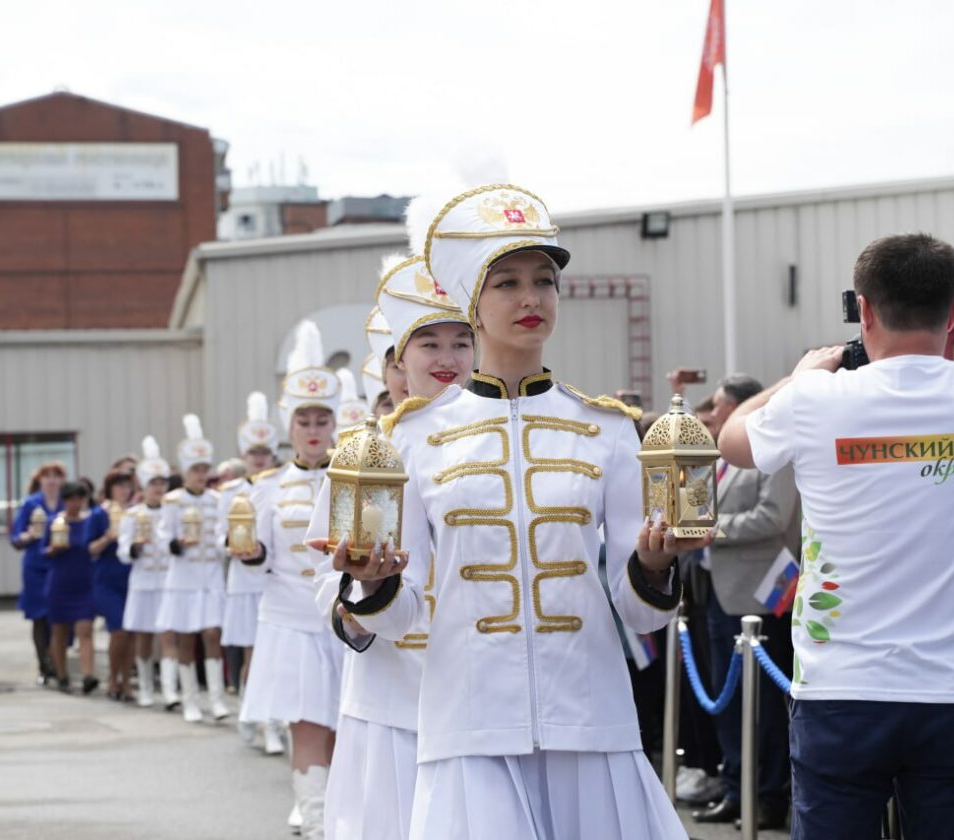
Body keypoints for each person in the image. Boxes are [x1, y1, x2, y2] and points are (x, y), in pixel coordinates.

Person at [334, 185, 702, 839]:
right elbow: (400, 618)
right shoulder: (411, 438)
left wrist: (653, 561)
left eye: (544, 280)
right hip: (468, 711)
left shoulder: (607, 430)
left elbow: (641, 610)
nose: (530, 299)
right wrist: (372, 580)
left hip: (589, 708)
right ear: (471, 302)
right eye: (506, 283)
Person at [718, 233, 954, 839]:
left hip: (841, 691)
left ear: (863, 311)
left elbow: (730, 437)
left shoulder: (816, 398)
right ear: (953, 313)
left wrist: (797, 377)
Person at [309, 249, 476, 840]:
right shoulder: (363, 451)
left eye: (462, 341)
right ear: (395, 361)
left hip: (480, 693)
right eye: (428, 344)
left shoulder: (503, 441)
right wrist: (361, 601)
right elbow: (329, 586)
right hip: (391, 695)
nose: (447, 358)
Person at [237, 320, 345, 840]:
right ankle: (318, 819)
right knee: (306, 723)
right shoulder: (265, 486)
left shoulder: (356, 478)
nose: (313, 427)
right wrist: (251, 553)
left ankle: (348, 816)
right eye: (304, 417)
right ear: (290, 424)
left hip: (349, 622)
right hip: (291, 619)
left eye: (322, 417)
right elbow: (254, 558)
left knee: (351, 728)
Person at [692, 374, 798, 829]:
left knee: (766, 707)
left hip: (760, 597)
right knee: (728, 700)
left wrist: (714, 529)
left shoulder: (773, 454)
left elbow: (772, 517)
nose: (713, 415)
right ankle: (737, 789)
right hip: (718, 592)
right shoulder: (720, 457)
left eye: (719, 407)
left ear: (741, 408)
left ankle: (770, 795)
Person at [159, 415, 230, 724]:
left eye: (204, 469)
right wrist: (177, 544)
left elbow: (223, 532)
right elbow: (163, 535)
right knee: (186, 637)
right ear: (186, 472)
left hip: (211, 573)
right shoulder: (172, 500)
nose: (201, 475)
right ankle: (189, 699)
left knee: (212, 633)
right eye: (196, 470)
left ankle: (215, 699)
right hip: (185, 575)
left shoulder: (218, 499)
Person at [221, 392, 279, 741]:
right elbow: (218, 536)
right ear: (244, 456)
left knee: (272, 655)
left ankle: (272, 722)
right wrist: (235, 546)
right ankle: (248, 710)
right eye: (253, 454)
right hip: (243, 580)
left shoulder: (280, 484)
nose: (259, 459)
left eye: (264, 453)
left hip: (274, 581)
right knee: (250, 652)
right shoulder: (230, 491)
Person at [120, 437, 176, 709]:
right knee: (143, 636)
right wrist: (134, 548)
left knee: (167, 635)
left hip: (167, 581)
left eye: (162, 483)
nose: (158, 488)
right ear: (144, 485)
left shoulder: (173, 511)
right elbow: (122, 551)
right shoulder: (132, 516)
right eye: (153, 483)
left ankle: (169, 691)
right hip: (143, 581)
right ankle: (145, 687)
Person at [11, 461, 66, 685]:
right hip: (36, 566)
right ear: (40, 480)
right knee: (39, 617)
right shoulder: (31, 504)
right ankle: (43, 664)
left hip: (61, 565)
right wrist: (29, 535)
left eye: (56, 476)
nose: (52, 481)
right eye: (47, 476)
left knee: (60, 616)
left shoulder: (66, 503)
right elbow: (16, 537)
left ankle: (57, 659)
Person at [43, 481, 98, 694]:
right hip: (60, 580)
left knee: (85, 628)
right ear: (64, 501)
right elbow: (42, 551)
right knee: (59, 630)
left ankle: (87, 675)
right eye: (71, 499)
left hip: (84, 581)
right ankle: (62, 673)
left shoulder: (89, 521)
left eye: (79, 499)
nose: (76, 503)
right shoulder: (54, 522)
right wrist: (53, 549)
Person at [90, 469, 136, 702]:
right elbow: (89, 549)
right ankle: (112, 677)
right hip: (107, 577)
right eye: (119, 486)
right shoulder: (100, 514)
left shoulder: (136, 514)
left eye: (127, 486)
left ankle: (126, 679)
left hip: (132, 576)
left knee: (131, 633)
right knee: (118, 630)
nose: (124, 490)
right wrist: (108, 537)